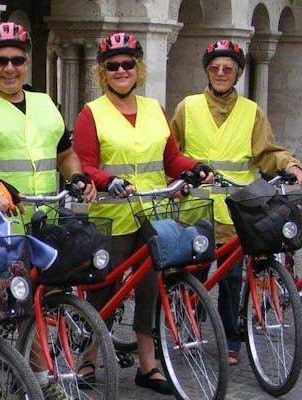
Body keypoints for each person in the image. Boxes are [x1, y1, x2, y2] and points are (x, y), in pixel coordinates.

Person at [73, 31, 214, 395]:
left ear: (139, 68)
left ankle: (148, 365)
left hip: (154, 212)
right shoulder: (93, 113)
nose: (121, 70)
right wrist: (107, 180)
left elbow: (171, 159)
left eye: (128, 64)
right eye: (113, 66)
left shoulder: (154, 109)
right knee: (103, 290)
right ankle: (87, 359)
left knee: (151, 288)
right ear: (103, 73)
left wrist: (193, 167)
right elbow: (84, 164)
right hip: (113, 215)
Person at [170, 39, 302, 367]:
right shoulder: (186, 107)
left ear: (238, 73)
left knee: (232, 279)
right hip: (196, 209)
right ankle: (188, 328)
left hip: (235, 212)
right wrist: (172, 183)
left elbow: (267, 151)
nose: (221, 73)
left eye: (228, 69)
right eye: (215, 68)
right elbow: (172, 153)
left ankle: (231, 339)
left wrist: (290, 164)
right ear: (206, 71)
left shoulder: (251, 111)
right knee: (194, 275)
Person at [0, 21, 95, 226]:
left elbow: (65, 154)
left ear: (26, 62)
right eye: (0, 61)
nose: (9, 68)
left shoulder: (46, 103)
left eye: (17, 61)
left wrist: (76, 176)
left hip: (46, 221)